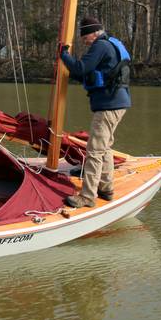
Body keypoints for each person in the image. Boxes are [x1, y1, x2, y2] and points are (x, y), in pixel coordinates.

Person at [60, 16, 132, 208]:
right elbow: (83, 72)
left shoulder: (100, 46)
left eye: (85, 36)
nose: (84, 40)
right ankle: (106, 188)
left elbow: (80, 67)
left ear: (94, 32)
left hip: (109, 106)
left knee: (94, 151)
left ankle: (87, 196)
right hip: (117, 104)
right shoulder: (110, 44)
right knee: (105, 147)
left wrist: (63, 54)